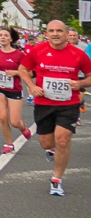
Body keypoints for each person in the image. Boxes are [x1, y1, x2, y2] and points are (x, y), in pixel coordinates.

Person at [17, 20, 91, 197]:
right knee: (46, 143)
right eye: (51, 30)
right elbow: (22, 68)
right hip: (44, 104)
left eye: (59, 30)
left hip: (68, 103)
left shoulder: (78, 54)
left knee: (63, 139)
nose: (55, 34)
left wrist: (79, 83)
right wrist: (31, 86)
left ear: (67, 34)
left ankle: (56, 179)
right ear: (47, 33)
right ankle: (52, 150)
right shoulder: (38, 51)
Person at [0, 26, 32, 154]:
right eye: (0, 35)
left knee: (14, 121)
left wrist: (16, 72)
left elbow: (28, 72)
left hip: (14, 89)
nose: (2, 37)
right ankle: (9, 144)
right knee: (2, 117)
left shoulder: (19, 55)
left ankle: (22, 126)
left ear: (11, 39)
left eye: (6, 35)